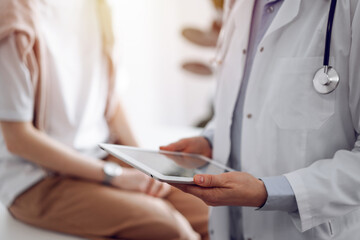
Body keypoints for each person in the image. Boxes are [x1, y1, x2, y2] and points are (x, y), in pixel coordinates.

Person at [0, 0, 208, 239]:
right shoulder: (12, 18)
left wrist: (145, 167)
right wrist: (114, 176)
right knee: (170, 228)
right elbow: (18, 139)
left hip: (104, 155)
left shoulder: (99, 7)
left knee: (210, 213)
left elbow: (111, 102)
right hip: (38, 178)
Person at [161, 0, 360, 239]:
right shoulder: (239, 5)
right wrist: (213, 140)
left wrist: (271, 192)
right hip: (231, 229)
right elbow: (250, 104)